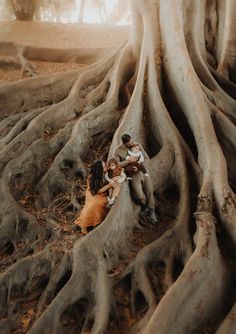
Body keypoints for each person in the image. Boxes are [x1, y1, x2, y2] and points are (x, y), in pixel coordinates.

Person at [114, 134, 158, 224]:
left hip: (143, 171)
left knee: (149, 190)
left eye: (131, 141)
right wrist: (128, 161)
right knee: (139, 194)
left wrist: (140, 166)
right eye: (128, 142)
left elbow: (146, 158)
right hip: (133, 175)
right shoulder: (118, 151)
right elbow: (117, 164)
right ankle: (145, 206)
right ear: (124, 143)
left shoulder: (137, 145)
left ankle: (152, 211)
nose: (131, 143)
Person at [74, 160, 115, 234]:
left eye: (105, 164)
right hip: (93, 193)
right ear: (99, 169)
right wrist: (109, 185)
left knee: (105, 203)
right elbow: (97, 191)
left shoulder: (105, 172)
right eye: (104, 166)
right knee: (95, 205)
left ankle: (96, 223)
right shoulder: (92, 177)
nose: (106, 166)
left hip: (103, 193)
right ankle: (83, 226)